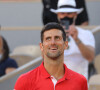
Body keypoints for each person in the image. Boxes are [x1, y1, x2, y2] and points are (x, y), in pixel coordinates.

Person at [14, 23, 88, 90]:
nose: (53, 42)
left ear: (65, 45)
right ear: (41, 46)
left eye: (57, 38)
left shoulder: (80, 81)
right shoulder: (24, 81)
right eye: (48, 39)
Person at [51, 0, 95, 80]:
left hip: (79, 84)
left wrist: (76, 39)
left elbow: (90, 57)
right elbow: (47, 59)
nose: (65, 16)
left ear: (75, 15)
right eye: (62, 14)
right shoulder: (52, 35)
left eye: (69, 13)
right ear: (58, 15)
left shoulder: (87, 34)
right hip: (57, 84)